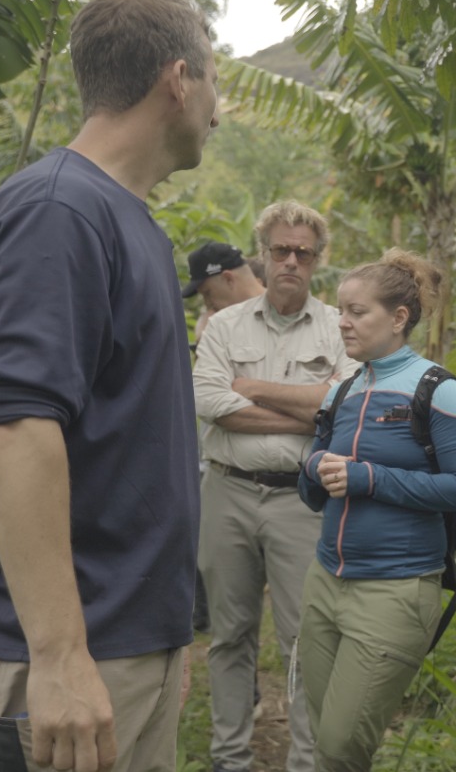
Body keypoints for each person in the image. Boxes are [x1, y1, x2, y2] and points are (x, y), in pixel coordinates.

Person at [0, 0, 219, 772]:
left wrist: (163, 635)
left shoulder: (127, 221)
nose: (218, 108)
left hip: (121, 650)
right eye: (214, 80)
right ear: (178, 80)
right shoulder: (59, 211)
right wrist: (58, 655)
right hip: (42, 666)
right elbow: (18, 429)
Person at [297, 249, 456, 772]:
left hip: (395, 590)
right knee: (325, 739)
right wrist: (314, 467)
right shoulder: (343, 390)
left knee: (341, 747)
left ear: (398, 317)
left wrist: (368, 478)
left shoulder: (437, 389)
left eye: (357, 312)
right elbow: (311, 484)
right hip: (325, 581)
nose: (342, 321)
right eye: (341, 310)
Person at [193, 202, 357, 772]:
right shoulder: (224, 325)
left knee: (305, 641)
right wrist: (308, 413)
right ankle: (229, 758)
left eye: (303, 253)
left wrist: (252, 390)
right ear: (262, 254)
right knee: (229, 636)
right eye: (281, 250)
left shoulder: (340, 328)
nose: (291, 261)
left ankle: (307, 762)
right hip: (228, 492)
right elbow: (209, 402)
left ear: (317, 260)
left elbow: (346, 408)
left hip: (302, 499)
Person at [182, 240, 268, 635]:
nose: (206, 304)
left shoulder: (287, 315)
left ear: (228, 278)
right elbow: (214, 402)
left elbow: (323, 404)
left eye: (207, 293)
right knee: (230, 621)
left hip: (285, 481)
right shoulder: (216, 326)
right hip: (222, 472)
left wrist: (250, 392)